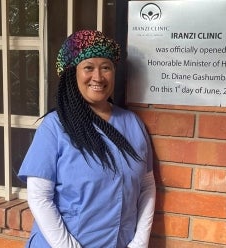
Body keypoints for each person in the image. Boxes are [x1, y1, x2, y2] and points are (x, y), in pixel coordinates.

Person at [18, 30, 156, 248]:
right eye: (88, 67)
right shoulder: (55, 127)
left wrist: (139, 241)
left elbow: (147, 187)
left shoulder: (133, 124)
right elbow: (39, 197)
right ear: (72, 74)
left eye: (106, 67)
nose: (98, 77)